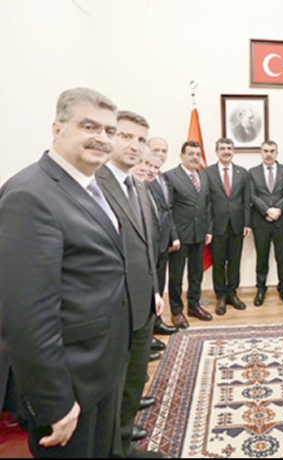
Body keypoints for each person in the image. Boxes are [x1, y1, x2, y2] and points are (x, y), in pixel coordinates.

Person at [0, 87, 130, 458]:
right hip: (68, 385)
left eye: (109, 130)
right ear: (58, 129)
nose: (102, 138)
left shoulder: (91, 186)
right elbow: (26, 317)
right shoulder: (30, 195)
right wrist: (54, 403)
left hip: (100, 368)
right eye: (89, 126)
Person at [95, 110, 163, 457]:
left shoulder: (137, 185)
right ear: (110, 136)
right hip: (114, 309)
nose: (135, 145)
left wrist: (155, 290)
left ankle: (122, 445)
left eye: (141, 139)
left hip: (143, 304)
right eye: (126, 136)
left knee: (133, 383)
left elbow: (145, 246)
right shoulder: (95, 184)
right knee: (113, 389)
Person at [165, 141, 213, 328]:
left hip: (199, 233)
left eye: (197, 154)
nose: (195, 157)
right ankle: (177, 311)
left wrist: (208, 229)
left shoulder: (204, 175)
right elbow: (167, 208)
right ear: (182, 156)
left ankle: (194, 305)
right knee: (176, 276)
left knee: (196, 273)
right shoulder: (170, 176)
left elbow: (207, 204)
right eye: (191, 153)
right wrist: (173, 235)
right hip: (180, 236)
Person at [205, 138, 251, 314]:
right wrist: (208, 228)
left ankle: (232, 293)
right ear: (216, 152)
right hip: (217, 226)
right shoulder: (207, 173)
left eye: (229, 148)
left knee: (234, 261)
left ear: (233, 151)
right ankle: (221, 296)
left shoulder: (242, 173)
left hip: (237, 225)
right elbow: (206, 203)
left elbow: (246, 200)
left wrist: (247, 223)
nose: (226, 151)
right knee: (218, 263)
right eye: (222, 148)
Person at [248, 140, 283, 306]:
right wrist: (267, 211)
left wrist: (277, 210)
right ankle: (261, 289)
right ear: (261, 153)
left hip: (281, 222)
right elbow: (252, 195)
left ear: (277, 153)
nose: (269, 154)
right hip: (261, 222)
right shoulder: (252, 172)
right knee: (262, 258)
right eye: (266, 151)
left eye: (272, 151)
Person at [145, 138, 179, 336]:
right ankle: (148, 329)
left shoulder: (164, 178)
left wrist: (173, 236)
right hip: (150, 241)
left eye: (164, 150)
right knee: (149, 286)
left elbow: (168, 210)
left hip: (164, 240)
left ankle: (157, 322)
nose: (160, 153)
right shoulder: (143, 177)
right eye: (156, 149)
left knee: (159, 283)